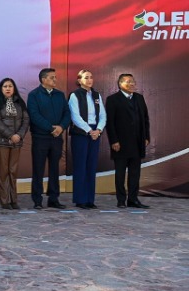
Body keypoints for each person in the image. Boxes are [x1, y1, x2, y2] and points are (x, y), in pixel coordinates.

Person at [27, 68, 71, 209]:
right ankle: (37, 200)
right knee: (38, 169)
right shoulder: (34, 95)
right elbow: (34, 115)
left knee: (54, 169)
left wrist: (61, 127)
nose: (55, 80)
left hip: (57, 138)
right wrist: (51, 128)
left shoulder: (59, 95)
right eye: (52, 77)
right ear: (43, 79)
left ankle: (53, 198)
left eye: (55, 77)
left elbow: (67, 113)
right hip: (40, 138)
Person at [105, 74, 150, 209]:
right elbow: (110, 122)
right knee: (120, 173)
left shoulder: (139, 98)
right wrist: (114, 141)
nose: (132, 84)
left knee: (135, 173)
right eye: (128, 82)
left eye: (133, 81)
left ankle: (133, 199)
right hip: (120, 144)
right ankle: (121, 200)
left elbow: (145, 119)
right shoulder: (113, 99)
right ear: (120, 84)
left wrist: (146, 137)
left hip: (137, 142)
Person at [0, 78, 30, 210]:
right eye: (5, 86)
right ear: (1, 89)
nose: (8, 88)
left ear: (14, 88)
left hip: (16, 142)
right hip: (1, 142)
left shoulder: (19, 102)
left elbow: (25, 120)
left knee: (13, 171)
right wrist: (10, 135)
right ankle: (4, 200)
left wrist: (19, 135)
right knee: (3, 171)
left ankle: (14, 200)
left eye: (10, 86)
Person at [68, 69, 107, 210]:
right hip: (81, 133)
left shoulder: (96, 95)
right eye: (86, 77)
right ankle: (80, 199)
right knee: (80, 166)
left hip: (95, 133)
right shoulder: (75, 95)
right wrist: (89, 130)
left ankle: (90, 199)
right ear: (79, 80)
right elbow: (75, 116)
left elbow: (102, 115)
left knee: (91, 166)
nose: (89, 80)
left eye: (91, 77)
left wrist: (99, 130)